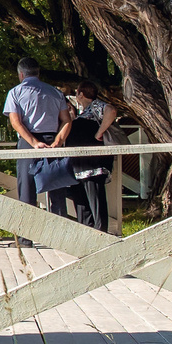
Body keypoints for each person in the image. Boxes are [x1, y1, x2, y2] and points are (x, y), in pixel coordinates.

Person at [3, 60, 75, 233]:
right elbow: (66, 120)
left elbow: (16, 122)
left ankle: (27, 235)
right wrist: (57, 141)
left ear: (21, 74)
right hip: (52, 139)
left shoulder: (15, 92)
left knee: (26, 189)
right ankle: (60, 234)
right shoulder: (55, 92)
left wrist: (34, 142)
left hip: (28, 140)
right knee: (56, 187)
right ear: (38, 73)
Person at [58, 78, 125, 232]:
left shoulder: (95, 106)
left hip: (93, 163)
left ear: (81, 94)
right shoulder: (80, 112)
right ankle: (87, 232)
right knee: (81, 200)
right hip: (78, 164)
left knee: (96, 198)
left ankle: (101, 232)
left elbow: (111, 111)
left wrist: (99, 132)